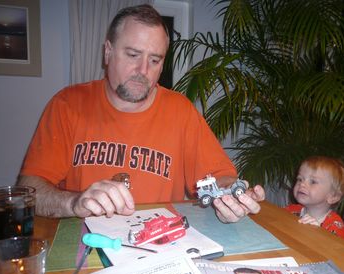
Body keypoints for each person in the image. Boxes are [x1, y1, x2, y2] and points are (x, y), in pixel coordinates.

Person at [17, 4, 264, 223]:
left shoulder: (181, 111)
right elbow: (29, 191)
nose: (143, 70)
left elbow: (219, 179)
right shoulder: (67, 104)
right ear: (107, 52)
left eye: (155, 60)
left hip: (157, 247)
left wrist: (232, 195)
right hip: (82, 241)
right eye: (133, 55)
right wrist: (74, 202)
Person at [285, 156, 344, 238]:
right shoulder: (291, 210)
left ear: (333, 196)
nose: (302, 184)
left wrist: (319, 235)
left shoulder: (336, 226)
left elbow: (335, 250)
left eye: (313, 182)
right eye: (300, 179)